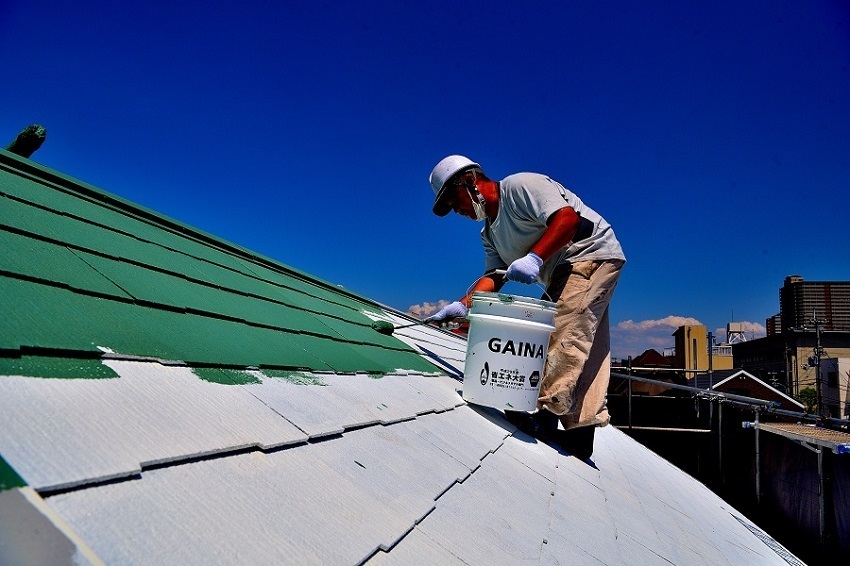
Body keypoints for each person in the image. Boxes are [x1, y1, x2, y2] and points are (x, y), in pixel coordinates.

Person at [427, 155, 625, 457]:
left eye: (455, 202)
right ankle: (582, 431)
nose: (459, 211)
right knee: (589, 342)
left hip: (588, 252)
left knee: (564, 329)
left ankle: (544, 415)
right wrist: (463, 305)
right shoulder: (490, 234)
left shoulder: (520, 186)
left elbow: (568, 220)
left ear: (468, 181)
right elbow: (494, 277)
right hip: (565, 267)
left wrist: (535, 257)